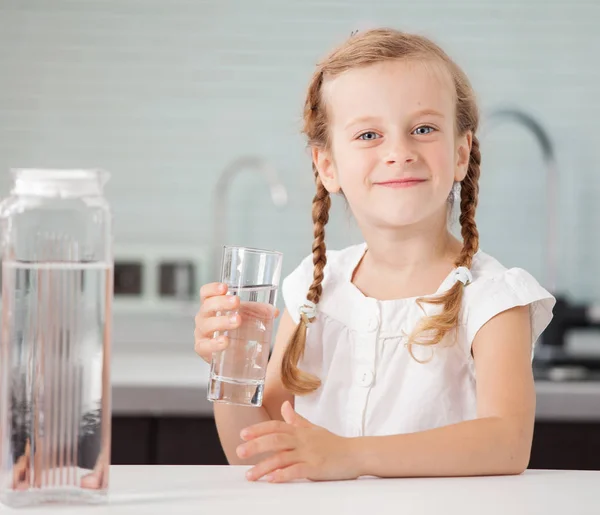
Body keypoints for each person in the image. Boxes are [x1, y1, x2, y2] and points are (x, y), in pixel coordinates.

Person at [194, 28, 555, 483]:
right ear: (328, 166)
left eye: (423, 129)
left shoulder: (494, 298)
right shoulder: (312, 290)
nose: (399, 152)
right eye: (368, 134)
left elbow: (506, 444)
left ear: (460, 153)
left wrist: (350, 455)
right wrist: (230, 368)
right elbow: (255, 453)